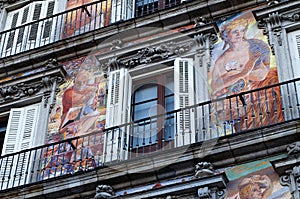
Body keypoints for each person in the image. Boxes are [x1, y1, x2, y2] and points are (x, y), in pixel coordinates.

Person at [210, 17, 282, 131]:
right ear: (226, 35)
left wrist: (237, 75)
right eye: (235, 32)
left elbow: (262, 73)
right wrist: (242, 73)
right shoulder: (221, 60)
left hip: (260, 85)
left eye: (242, 30)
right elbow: (216, 85)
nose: (239, 34)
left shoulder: (257, 46)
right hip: (239, 93)